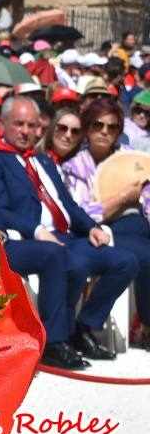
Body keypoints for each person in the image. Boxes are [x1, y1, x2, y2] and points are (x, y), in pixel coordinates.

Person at [0, 96, 136, 365]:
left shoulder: (44, 161)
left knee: (125, 261)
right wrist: (37, 229)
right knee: (71, 262)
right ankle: (55, 339)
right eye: (19, 124)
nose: (26, 131)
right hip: (33, 239)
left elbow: (69, 205)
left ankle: (84, 325)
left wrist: (93, 226)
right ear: (3, 123)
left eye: (31, 125)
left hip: (66, 237)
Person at [61, 97, 150, 350]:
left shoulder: (131, 161)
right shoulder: (74, 167)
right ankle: (146, 326)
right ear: (87, 128)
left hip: (137, 226)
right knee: (144, 256)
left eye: (112, 128)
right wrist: (123, 197)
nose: (104, 132)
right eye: (98, 125)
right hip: (94, 231)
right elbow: (80, 211)